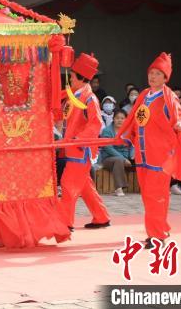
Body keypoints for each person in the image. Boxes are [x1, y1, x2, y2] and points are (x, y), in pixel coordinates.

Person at [118, 53, 181, 249]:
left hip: (160, 155)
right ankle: (160, 227)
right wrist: (128, 135)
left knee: (156, 195)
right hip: (143, 153)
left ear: (165, 77)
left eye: (157, 74)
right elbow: (135, 119)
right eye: (151, 73)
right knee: (148, 195)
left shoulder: (169, 98)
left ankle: (156, 235)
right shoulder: (144, 95)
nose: (152, 76)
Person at [58, 53, 111, 231]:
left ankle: (65, 223)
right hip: (73, 147)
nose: (70, 79)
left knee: (68, 184)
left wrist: (78, 140)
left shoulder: (89, 98)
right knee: (84, 186)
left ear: (81, 78)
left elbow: (97, 124)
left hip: (80, 149)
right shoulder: (74, 95)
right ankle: (101, 216)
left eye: (72, 76)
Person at [99, 110, 134, 196]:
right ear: (113, 119)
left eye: (122, 118)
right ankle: (119, 188)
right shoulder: (107, 131)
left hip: (126, 158)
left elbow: (132, 144)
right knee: (119, 160)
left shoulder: (128, 131)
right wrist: (123, 159)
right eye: (117, 118)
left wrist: (131, 156)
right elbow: (108, 148)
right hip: (108, 158)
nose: (120, 120)